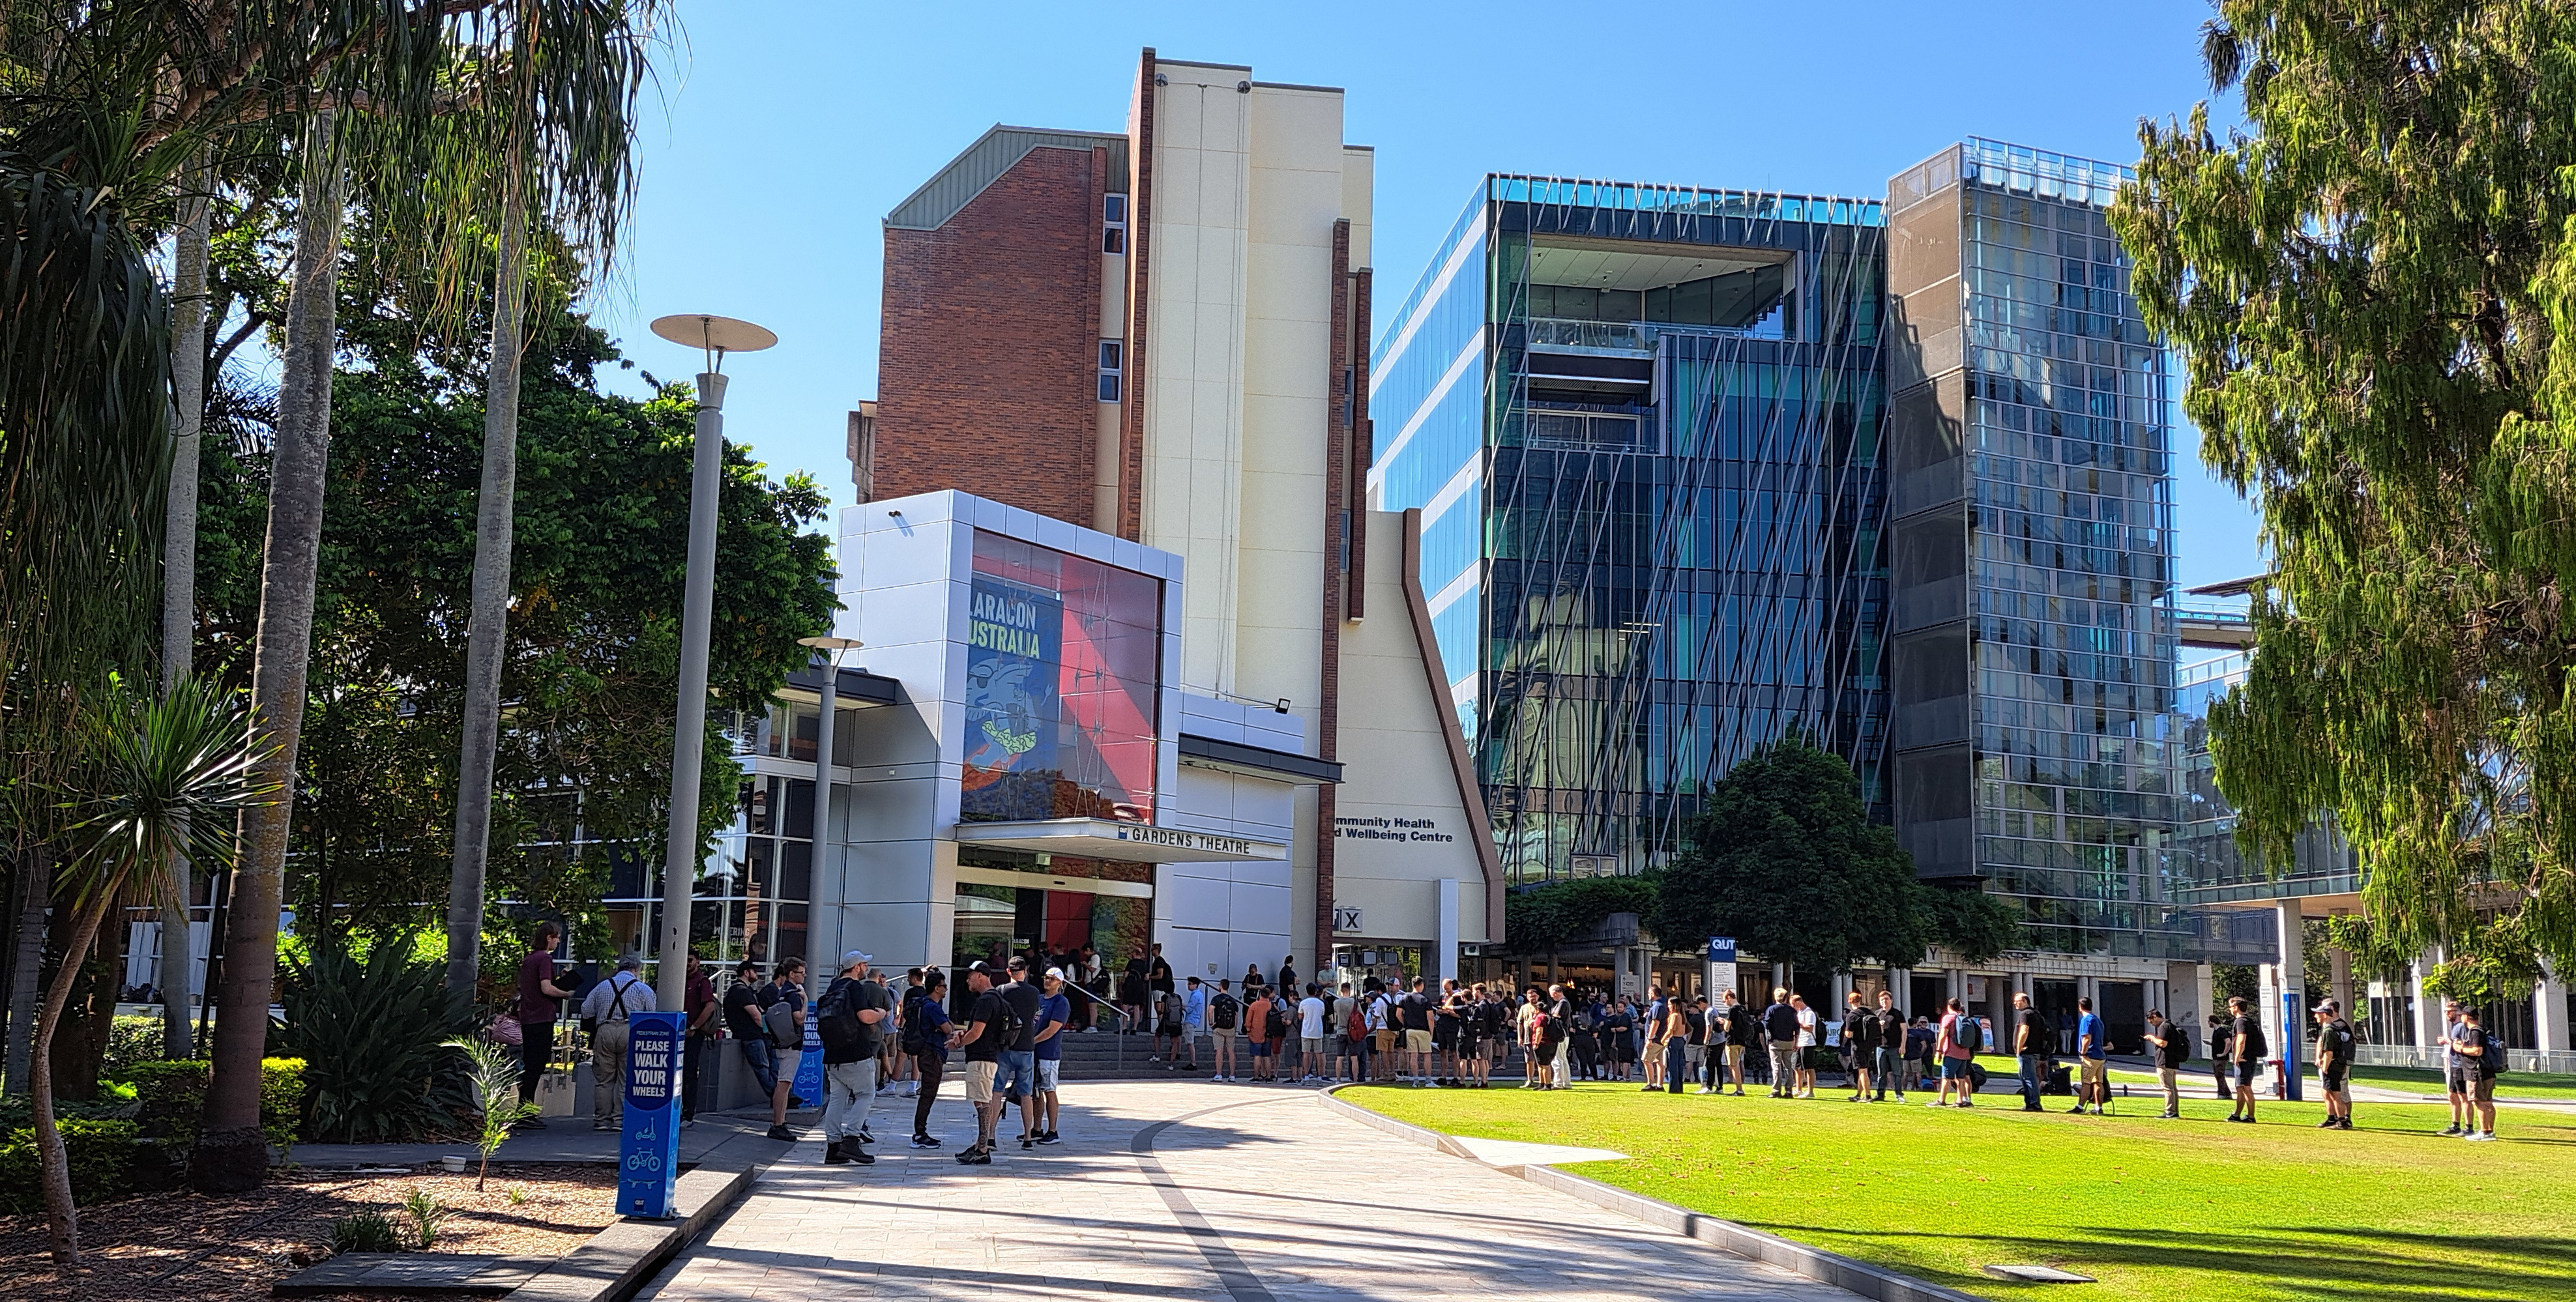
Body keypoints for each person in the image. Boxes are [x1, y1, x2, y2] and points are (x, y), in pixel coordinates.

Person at [816, 950, 892, 1165]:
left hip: (832, 1054)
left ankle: (833, 1148)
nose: (866, 968)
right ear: (857, 967)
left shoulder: (834, 987)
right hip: (855, 1053)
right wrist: (881, 1014)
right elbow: (865, 1017)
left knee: (837, 1099)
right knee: (867, 1094)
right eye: (864, 965)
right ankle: (851, 1139)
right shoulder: (854, 987)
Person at [580, 954, 652, 1133]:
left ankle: (602, 1120)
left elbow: (586, 1011)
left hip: (605, 1030)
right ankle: (620, 1120)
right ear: (637, 970)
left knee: (604, 1080)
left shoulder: (602, 986)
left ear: (619, 968)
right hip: (630, 1031)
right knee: (625, 1078)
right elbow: (652, 1013)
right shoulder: (643, 989)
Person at [513, 921, 572, 1124]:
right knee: (537, 1066)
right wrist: (565, 993)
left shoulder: (529, 959)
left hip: (528, 1018)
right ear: (549, 937)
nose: (558, 942)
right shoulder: (545, 959)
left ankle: (524, 1110)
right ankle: (525, 1112)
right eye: (556, 938)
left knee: (530, 1065)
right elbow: (546, 988)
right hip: (542, 1018)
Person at [724, 959, 788, 1140]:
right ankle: (778, 1098)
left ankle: (780, 1097)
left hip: (754, 1036)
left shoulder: (745, 991)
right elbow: (757, 1015)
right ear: (746, 972)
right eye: (754, 971)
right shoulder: (741, 992)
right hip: (751, 1036)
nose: (757, 975)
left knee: (768, 1066)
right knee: (763, 1067)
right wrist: (768, 1030)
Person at [952, 962, 1008, 1164]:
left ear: (982, 976)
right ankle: (980, 1145)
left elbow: (977, 1033)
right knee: (983, 1101)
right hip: (989, 1057)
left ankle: (983, 1148)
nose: (968, 979)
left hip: (982, 1059)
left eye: (971, 975)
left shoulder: (986, 1001)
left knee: (982, 1103)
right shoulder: (997, 999)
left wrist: (959, 1042)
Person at [991, 957, 1045, 1147]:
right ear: (1026, 970)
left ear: (1008, 971)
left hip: (1005, 1047)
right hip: (1026, 1046)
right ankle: (1028, 1138)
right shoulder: (1034, 993)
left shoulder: (1002, 991)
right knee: (1026, 1094)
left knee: (997, 1091)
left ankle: (991, 1136)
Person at [759, 957, 808, 1135]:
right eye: (801, 973)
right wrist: (806, 1001)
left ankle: (780, 1122)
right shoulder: (794, 994)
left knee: (784, 1083)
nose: (804, 976)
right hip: (791, 1045)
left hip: (782, 1042)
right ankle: (778, 1124)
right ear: (791, 974)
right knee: (784, 1084)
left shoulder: (782, 992)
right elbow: (799, 1019)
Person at [906, 970, 953, 1148]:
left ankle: (920, 1131)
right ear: (936, 988)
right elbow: (948, 1029)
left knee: (927, 1093)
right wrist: (946, 1026)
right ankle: (920, 1133)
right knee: (928, 1094)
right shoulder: (932, 1007)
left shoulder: (926, 1004)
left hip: (927, 1052)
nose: (946, 989)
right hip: (931, 1053)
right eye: (944, 986)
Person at [1032, 968, 1071, 1144]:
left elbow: (1053, 1029)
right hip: (1034, 1053)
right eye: (1046, 978)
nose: (1048, 981)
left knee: (1049, 1089)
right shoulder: (1039, 999)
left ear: (1059, 983)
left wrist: (1033, 1041)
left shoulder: (1061, 1002)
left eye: (1052, 979)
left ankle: (1053, 1130)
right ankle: (1037, 1128)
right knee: (1036, 1092)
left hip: (1049, 1053)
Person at [681, 955, 718, 1124]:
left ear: (698, 962)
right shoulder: (678, 979)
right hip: (679, 1032)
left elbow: (709, 1007)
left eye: (690, 960)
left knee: (689, 1073)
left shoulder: (702, 982)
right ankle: (680, 1109)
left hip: (693, 1035)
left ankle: (689, 1113)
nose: (687, 964)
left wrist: (694, 1028)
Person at [2456, 1005, 2500, 1141]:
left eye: (2462, 1015)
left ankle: (2484, 1132)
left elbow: (2477, 1051)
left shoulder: (2475, 1032)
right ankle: (2489, 1131)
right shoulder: (2482, 1030)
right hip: (2488, 1072)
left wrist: (2461, 1048)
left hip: (2477, 1072)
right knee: (2488, 1102)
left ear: (2466, 1017)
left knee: (2480, 1102)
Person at [2312, 1000, 2354, 1131]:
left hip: (2333, 1066)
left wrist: (2324, 1068)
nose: (2315, 1016)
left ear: (2325, 1015)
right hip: (2335, 1065)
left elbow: (2329, 1053)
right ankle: (2333, 1118)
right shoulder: (2330, 1029)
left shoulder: (2330, 1030)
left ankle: (2342, 1121)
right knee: (2328, 1092)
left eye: (2318, 1013)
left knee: (2336, 1095)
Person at [2225, 994, 2265, 1123]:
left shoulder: (2241, 1021)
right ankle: (2237, 1114)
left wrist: (2237, 1057)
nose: (2229, 1009)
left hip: (2244, 1059)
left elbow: (2241, 1039)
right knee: (2240, 1087)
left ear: (2236, 1008)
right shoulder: (2248, 1021)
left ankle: (2251, 1116)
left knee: (2246, 1087)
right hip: (2248, 1058)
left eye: (2230, 1007)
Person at [1931, 997, 1977, 1108]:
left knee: (1946, 1077)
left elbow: (1943, 1035)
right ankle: (1960, 1101)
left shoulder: (1948, 1018)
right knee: (1960, 1078)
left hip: (1951, 1052)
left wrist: (1939, 1050)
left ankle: (1941, 1100)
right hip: (1965, 1053)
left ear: (1948, 1007)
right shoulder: (1964, 1018)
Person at [2144, 1008, 2187, 1118]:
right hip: (2172, 1061)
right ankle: (2174, 1110)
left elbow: (2163, 1043)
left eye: (2152, 1022)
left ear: (2155, 1017)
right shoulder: (2171, 1025)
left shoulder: (2164, 1026)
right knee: (2172, 1087)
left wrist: (2152, 1038)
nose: (2153, 1025)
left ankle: (2170, 1111)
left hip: (2165, 1061)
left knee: (2167, 1088)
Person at [2070, 995, 2109, 1114]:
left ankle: (2080, 1107)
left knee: (2086, 1083)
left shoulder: (2086, 1020)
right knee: (2098, 1082)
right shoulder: (2098, 1020)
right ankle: (2098, 1107)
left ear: (2080, 1007)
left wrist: (2083, 1053)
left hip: (2090, 1056)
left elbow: (2086, 1038)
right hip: (2100, 1056)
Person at [2012, 990, 2047, 1112]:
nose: (2015, 1004)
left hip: (2027, 1052)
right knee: (2027, 1077)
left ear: (2025, 1001)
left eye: (2017, 1002)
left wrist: (2019, 1047)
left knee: (2028, 1078)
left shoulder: (2026, 1014)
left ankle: (2034, 1104)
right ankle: (2030, 1103)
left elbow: (2024, 1031)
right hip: (2036, 1051)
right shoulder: (2036, 1014)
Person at [2440, 999, 2472, 1136]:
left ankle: (2469, 1127)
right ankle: (2455, 1125)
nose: (2447, 1014)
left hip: (2460, 1066)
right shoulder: (2455, 1027)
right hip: (2453, 1065)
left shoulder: (2461, 1027)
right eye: (2446, 1012)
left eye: (2449, 1012)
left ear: (2457, 1013)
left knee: (2464, 1097)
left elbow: (2464, 1045)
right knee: (2452, 1096)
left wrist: (2448, 1041)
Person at [1761, 989, 1800, 1098]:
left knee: (1776, 1066)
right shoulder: (1792, 1010)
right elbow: (1797, 1027)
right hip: (1789, 1041)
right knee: (1788, 1066)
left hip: (1776, 1041)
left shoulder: (1772, 1009)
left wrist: (1769, 1039)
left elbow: (1767, 1025)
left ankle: (1776, 1090)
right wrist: (1796, 1041)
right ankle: (1789, 1091)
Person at [1400, 978, 1439, 1086]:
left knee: (1413, 1055)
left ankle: (1416, 1081)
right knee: (1427, 1055)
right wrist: (1431, 1032)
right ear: (1421, 985)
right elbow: (1430, 1018)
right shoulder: (1425, 999)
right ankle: (1428, 1080)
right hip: (1423, 1030)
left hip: (1410, 1030)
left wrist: (1405, 1024)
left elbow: (1398, 1014)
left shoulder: (1405, 998)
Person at [1843, 991, 1879, 1102]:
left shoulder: (1852, 1015)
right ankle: (1858, 1094)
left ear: (1850, 1001)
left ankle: (1867, 1096)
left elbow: (1849, 1034)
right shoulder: (1870, 1013)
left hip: (1857, 1046)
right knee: (1862, 1069)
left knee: (1862, 1070)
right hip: (1870, 1045)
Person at [1872, 990, 1906, 1103]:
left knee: (1897, 1073)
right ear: (1879, 1002)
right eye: (1882, 1000)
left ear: (1891, 1000)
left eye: (1886, 999)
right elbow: (1875, 1032)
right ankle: (1880, 1094)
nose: (1884, 1001)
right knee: (1882, 1073)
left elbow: (1904, 1030)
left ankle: (1899, 1094)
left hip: (1895, 1047)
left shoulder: (1898, 1014)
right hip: (1880, 1047)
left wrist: (1903, 1045)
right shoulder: (1877, 1014)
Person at [1207, 977, 1241, 1082]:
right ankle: (1232, 1075)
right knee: (1231, 1052)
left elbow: (1211, 1010)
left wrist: (1211, 1022)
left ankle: (1219, 1074)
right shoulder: (1233, 1000)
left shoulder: (1216, 999)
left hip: (1219, 1028)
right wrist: (1234, 1028)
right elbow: (1236, 1015)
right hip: (1230, 1029)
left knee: (1219, 1051)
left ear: (1221, 986)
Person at [1333, 981, 1365, 1084]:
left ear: (1341, 991)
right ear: (1350, 990)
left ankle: (1338, 1079)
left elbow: (1336, 1015)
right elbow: (1362, 1017)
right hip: (1352, 1033)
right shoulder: (1354, 1003)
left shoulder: (1336, 1003)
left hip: (1341, 1031)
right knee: (1354, 1057)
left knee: (1340, 1057)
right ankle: (1355, 1080)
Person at [1298, 983, 1329, 1084]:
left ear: (1307, 991)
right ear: (1316, 991)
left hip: (1306, 1031)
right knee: (1318, 1054)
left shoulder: (1303, 1002)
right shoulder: (1321, 1003)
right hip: (1318, 1031)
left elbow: (1300, 1016)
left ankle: (1306, 1075)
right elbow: (1322, 1015)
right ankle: (1320, 1075)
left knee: (1306, 1054)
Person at [1244, 985, 1276, 1082]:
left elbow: (1248, 1020)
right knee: (1267, 1056)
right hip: (1268, 1034)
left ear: (1260, 994)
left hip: (1255, 1033)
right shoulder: (1271, 1005)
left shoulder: (1254, 1005)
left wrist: (1248, 1030)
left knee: (1257, 1056)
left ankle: (1256, 1077)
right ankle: (1269, 1076)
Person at [1660, 994, 1690, 1095]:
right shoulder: (1682, 1015)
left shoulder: (1674, 1015)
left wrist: (1662, 1040)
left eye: (1669, 1005)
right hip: (1681, 1040)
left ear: (1674, 1005)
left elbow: (1670, 1030)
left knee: (1672, 1065)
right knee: (1679, 1065)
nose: (1668, 1006)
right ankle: (1679, 1087)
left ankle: (1674, 1087)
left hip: (1674, 1040)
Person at [1602, 997, 1635, 1084]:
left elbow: (1624, 1028)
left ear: (1625, 1008)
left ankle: (1625, 1077)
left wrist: (1615, 1029)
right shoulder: (1620, 1017)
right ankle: (1627, 1077)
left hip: (1626, 1041)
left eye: (1621, 1007)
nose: (1619, 1009)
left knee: (1625, 1061)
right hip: (1623, 1042)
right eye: (1618, 1007)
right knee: (1626, 1061)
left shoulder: (1625, 1016)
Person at [1178, 975, 1207, 1071]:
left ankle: (1193, 1062)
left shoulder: (1195, 995)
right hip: (1194, 1019)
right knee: (1188, 1040)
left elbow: (1189, 1009)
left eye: (1190, 984)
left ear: (1195, 985)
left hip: (1191, 1020)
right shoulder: (1199, 995)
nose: (1188, 986)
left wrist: (1180, 1006)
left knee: (1190, 1042)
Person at [1120, 949, 1150, 1034]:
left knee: (1125, 1005)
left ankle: (1124, 1027)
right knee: (1136, 1007)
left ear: (1135, 953)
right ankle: (1134, 1028)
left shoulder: (1131, 963)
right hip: (1139, 987)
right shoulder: (1144, 964)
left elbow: (1126, 975)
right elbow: (1147, 977)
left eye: (1132, 953)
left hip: (1130, 987)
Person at [2207, 1011, 2234, 1103]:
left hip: (2221, 1058)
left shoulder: (2221, 1031)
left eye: (2209, 1022)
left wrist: (2224, 1053)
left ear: (2212, 1022)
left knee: (2220, 1076)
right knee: (2218, 1076)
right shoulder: (2216, 1032)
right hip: (2216, 1057)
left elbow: (2228, 1042)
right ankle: (2226, 1093)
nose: (2208, 1024)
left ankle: (2222, 1093)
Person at [1148, 943, 1176, 1030]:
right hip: (1162, 988)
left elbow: (1160, 975)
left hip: (1159, 988)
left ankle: (1162, 1026)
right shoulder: (1160, 961)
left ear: (1156, 950)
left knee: (1159, 1008)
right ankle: (1162, 1025)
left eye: (1152, 950)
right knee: (1160, 1008)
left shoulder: (1159, 961)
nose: (1151, 952)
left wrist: (1150, 977)